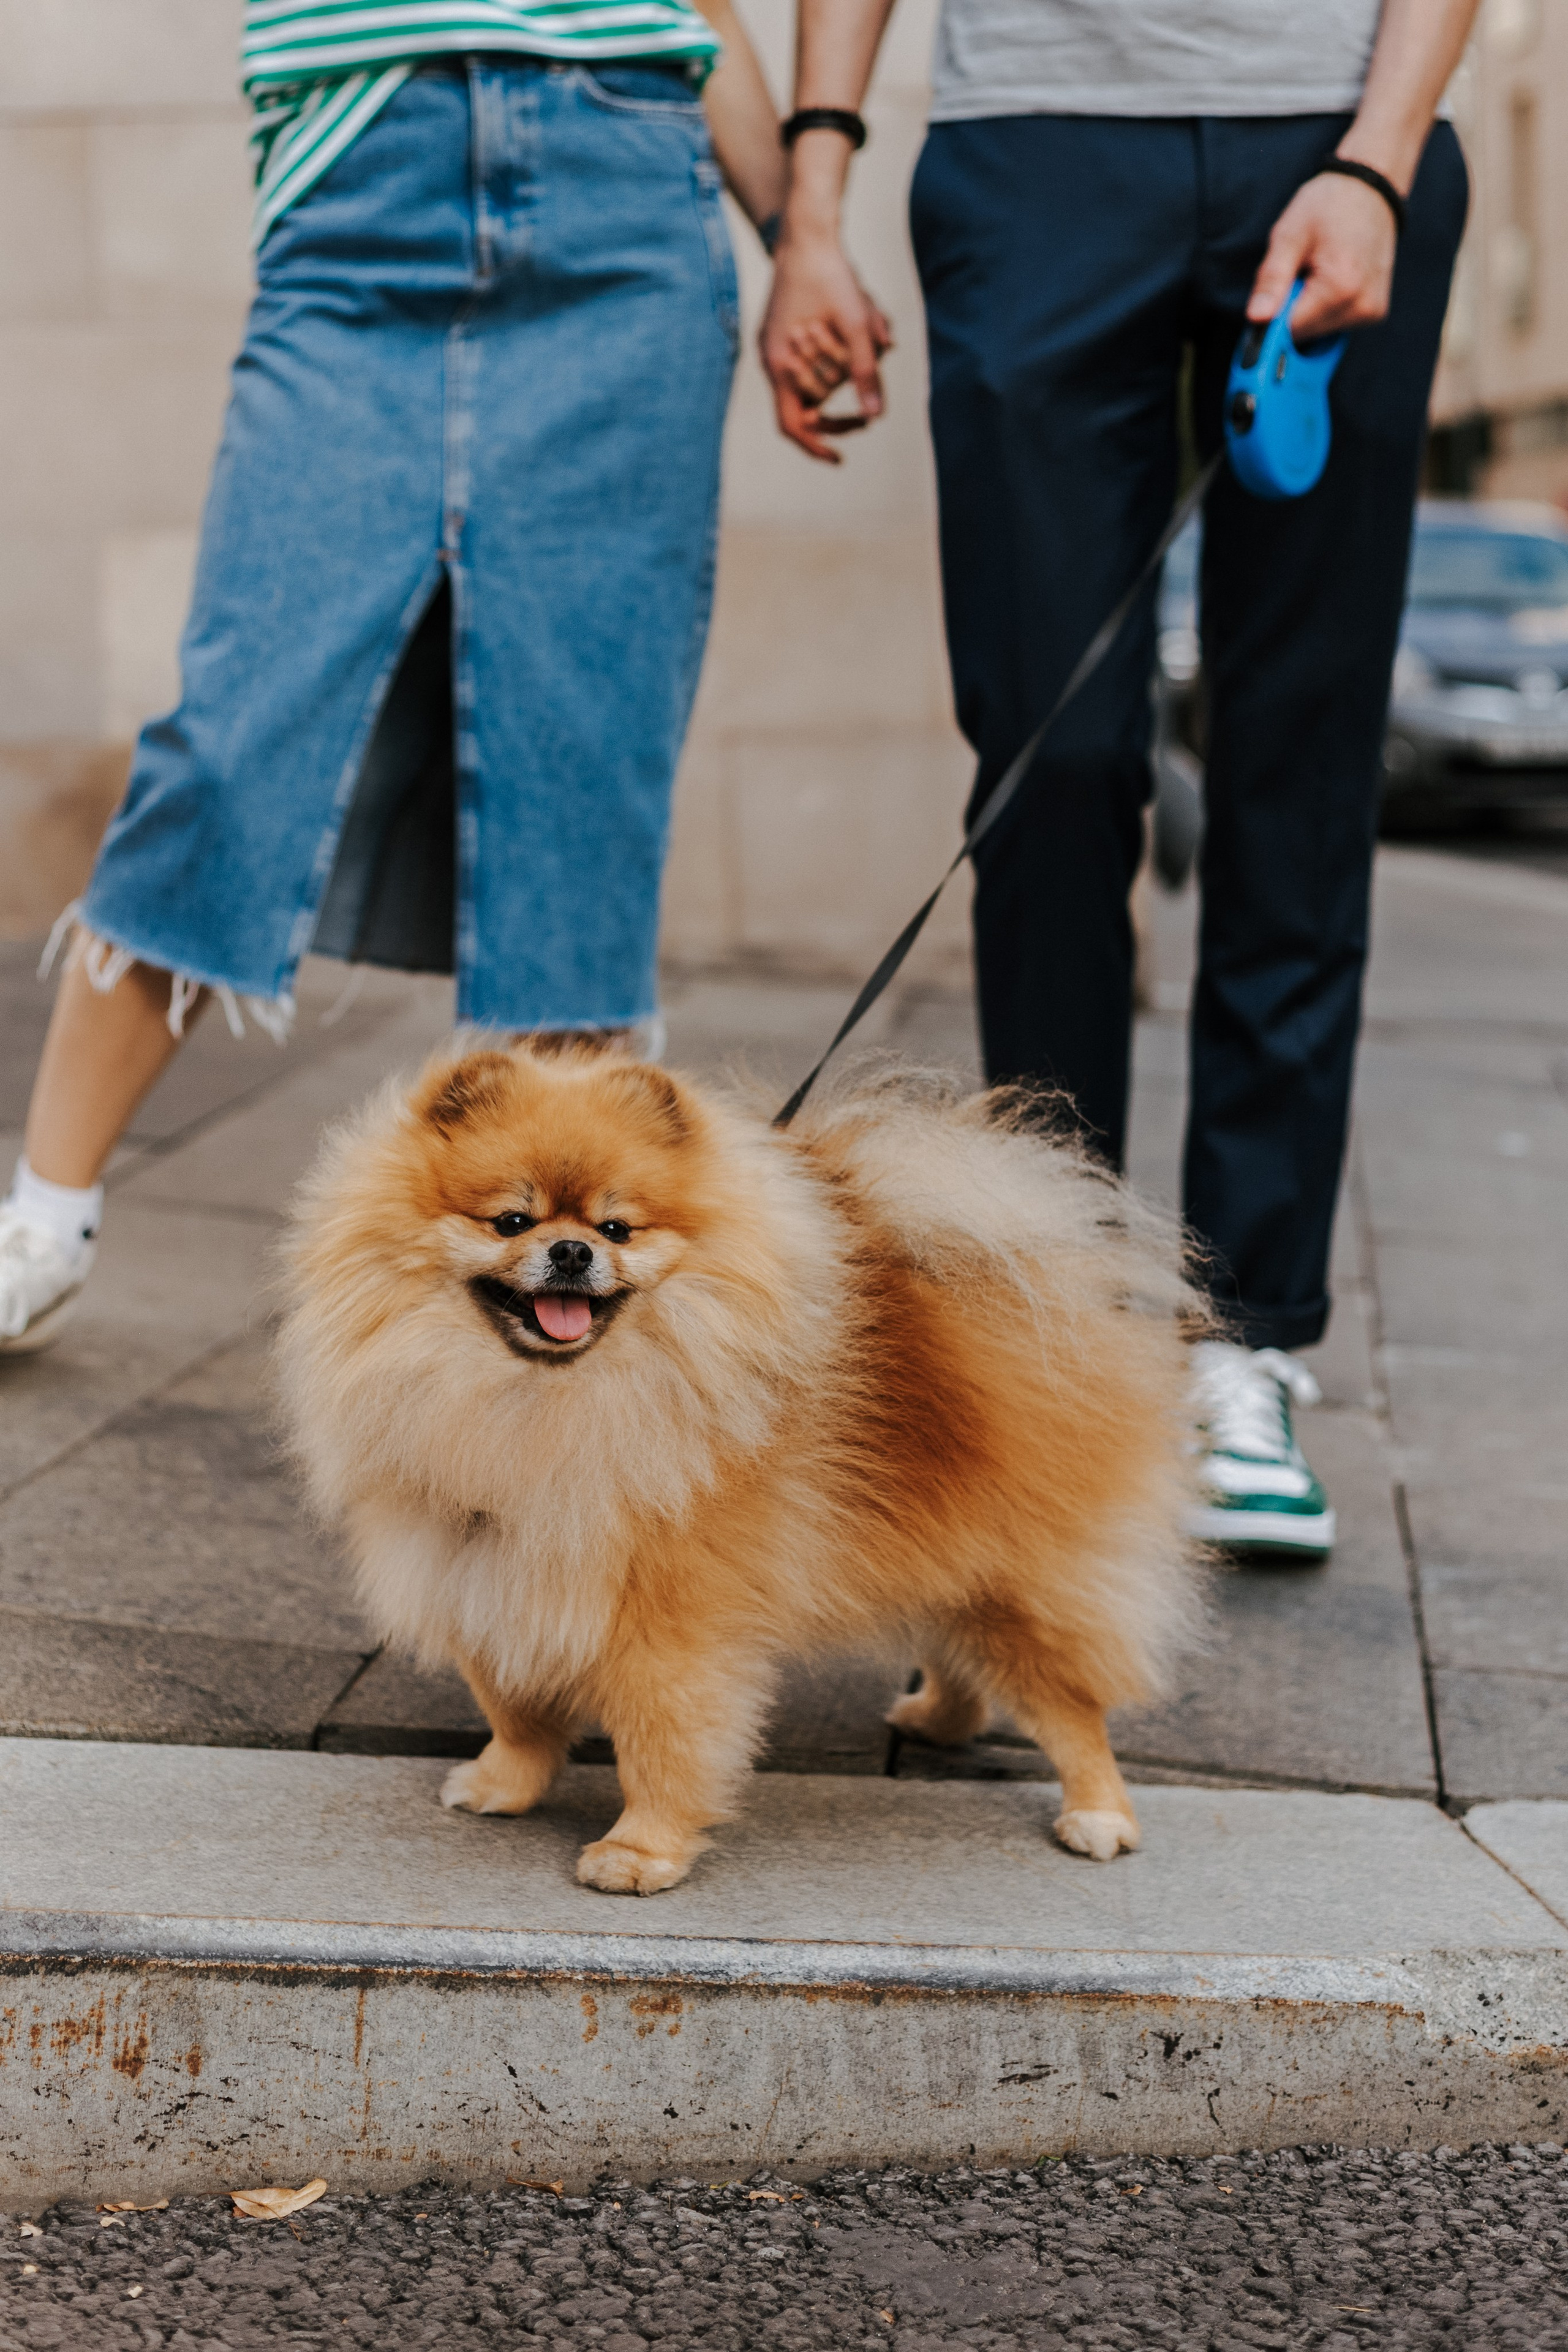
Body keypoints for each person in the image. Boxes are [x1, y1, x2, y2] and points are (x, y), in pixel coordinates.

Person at [760, 0, 1480, 1561]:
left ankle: (1244, 1344)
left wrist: (1379, 156)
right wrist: (813, 200)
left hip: (1333, 123)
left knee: (1297, 764)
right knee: (1052, 759)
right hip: (1029, 147)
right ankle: (1061, 1323)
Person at [0, 0, 787, 1354]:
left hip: (625, 173)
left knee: (576, 758)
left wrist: (805, 235)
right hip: (361, 169)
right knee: (231, 742)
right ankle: (42, 1213)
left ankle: (561, 1291)